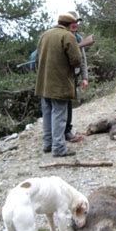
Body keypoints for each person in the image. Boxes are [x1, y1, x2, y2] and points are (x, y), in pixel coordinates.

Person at [35, 12, 83, 157]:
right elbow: (76, 60)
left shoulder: (45, 35)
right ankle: (59, 148)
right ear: (70, 24)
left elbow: (36, 59)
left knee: (47, 114)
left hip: (43, 83)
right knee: (59, 116)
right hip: (60, 83)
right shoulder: (68, 36)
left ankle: (47, 144)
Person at [65, 10, 89, 143]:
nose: (75, 24)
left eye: (77, 22)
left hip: (73, 77)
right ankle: (58, 134)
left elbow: (83, 60)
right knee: (60, 107)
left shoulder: (79, 38)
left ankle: (67, 131)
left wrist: (84, 78)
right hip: (61, 77)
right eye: (73, 22)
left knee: (68, 104)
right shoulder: (61, 36)